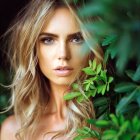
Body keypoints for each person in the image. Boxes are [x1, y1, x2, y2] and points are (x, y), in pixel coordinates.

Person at [0, 0, 103, 139]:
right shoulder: (12, 130)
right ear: (33, 48)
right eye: (48, 40)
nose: (63, 54)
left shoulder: (108, 126)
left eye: (77, 39)